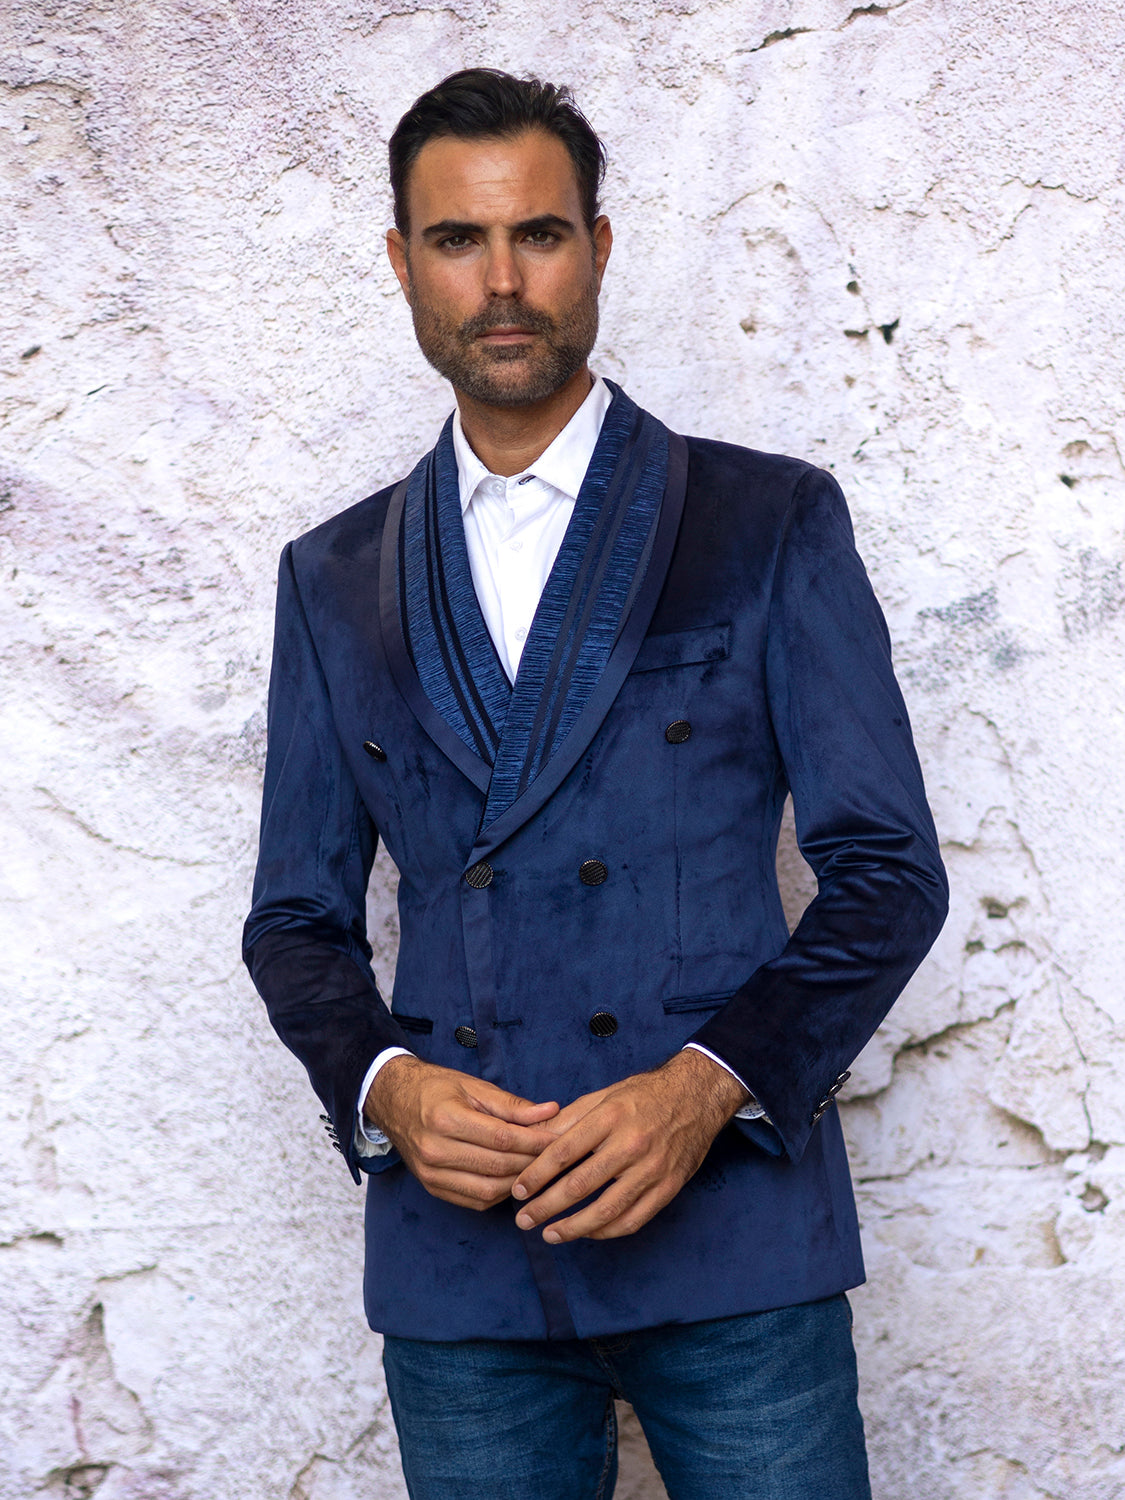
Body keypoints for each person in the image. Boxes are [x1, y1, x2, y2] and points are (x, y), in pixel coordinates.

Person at [243, 67, 948, 1500]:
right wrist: (386, 1088)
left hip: (734, 1241)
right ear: (400, 263)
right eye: (456, 240)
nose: (501, 283)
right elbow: (295, 920)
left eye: (540, 235)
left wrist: (703, 1091)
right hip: (460, 1267)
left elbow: (885, 874)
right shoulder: (332, 578)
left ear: (599, 246)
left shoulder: (765, 519)